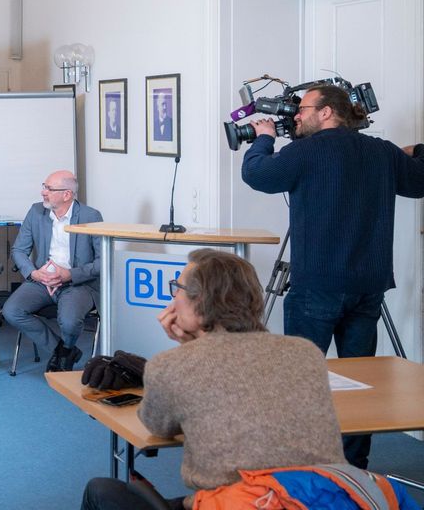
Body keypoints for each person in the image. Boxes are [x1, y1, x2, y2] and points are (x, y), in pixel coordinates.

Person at [242, 84, 424, 468]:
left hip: (318, 288)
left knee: (301, 384)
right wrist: (411, 153)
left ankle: (301, 465)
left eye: (304, 109)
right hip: (368, 287)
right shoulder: (382, 152)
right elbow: (419, 180)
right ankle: (353, 470)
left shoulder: (306, 152)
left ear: (327, 112)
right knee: (359, 386)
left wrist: (263, 139)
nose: (296, 115)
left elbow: (257, 174)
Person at [80, 249, 346, 510]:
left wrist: (187, 349)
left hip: (241, 504)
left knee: (101, 491)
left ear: (200, 302)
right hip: (322, 499)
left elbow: (158, 425)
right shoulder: (305, 352)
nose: (173, 297)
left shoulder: (172, 366)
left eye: (178, 288)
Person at [3, 170, 101, 372]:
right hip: (41, 280)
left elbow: (102, 262)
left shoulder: (91, 216)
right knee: (11, 311)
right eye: (44, 186)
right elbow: (19, 250)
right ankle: (63, 351)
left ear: (67, 194)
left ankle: (66, 347)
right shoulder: (36, 211)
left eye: (49, 188)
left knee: (69, 322)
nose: (43, 192)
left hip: (77, 284)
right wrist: (33, 273)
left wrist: (70, 274)